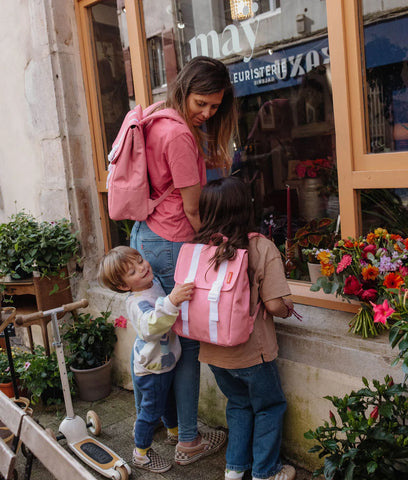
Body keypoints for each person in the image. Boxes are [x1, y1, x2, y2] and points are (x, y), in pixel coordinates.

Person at [130, 55, 237, 464]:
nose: (207, 113)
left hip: (147, 234)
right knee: (187, 347)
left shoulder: (159, 116)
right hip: (173, 241)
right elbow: (193, 209)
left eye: (215, 106)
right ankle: (188, 440)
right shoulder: (179, 134)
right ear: (185, 89)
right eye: (201, 103)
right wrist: (215, 244)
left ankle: (162, 422)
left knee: (157, 336)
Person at [195, 177, 297, 480]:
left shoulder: (200, 248)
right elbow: (275, 305)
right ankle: (265, 471)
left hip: (213, 350)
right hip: (253, 351)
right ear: (246, 207)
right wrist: (288, 307)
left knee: (238, 405)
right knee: (269, 406)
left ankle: (235, 468)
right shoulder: (261, 246)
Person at [97, 246, 194, 473]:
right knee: (150, 412)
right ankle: (141, 453)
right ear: (124, 286)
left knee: (167, 401)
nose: (142, 268)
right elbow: (150, 327)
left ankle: (174, 432)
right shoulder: (137, 302)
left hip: (163, 362)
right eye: (132, 271)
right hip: (152, 369)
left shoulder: (153, 282)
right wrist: (172, 301)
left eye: (140, 261)